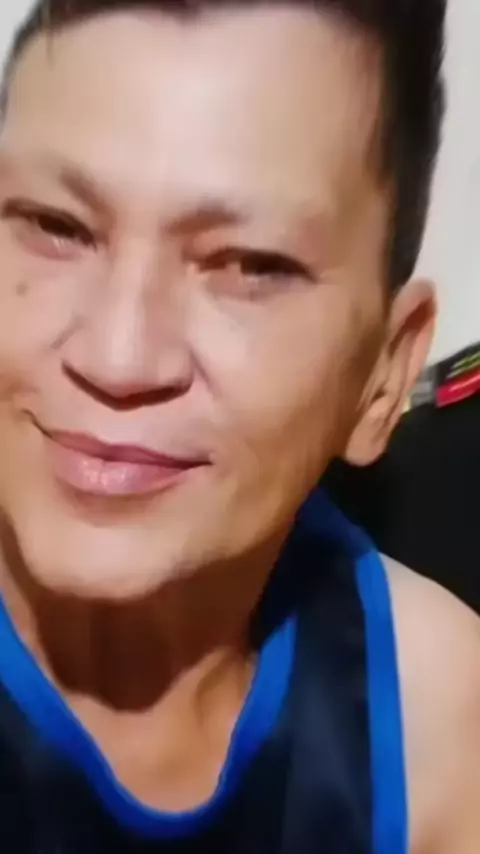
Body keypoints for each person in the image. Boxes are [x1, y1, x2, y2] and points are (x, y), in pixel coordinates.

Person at [0, 1, 478, 852]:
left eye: (253, 266)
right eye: (55, 225)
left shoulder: (430, 716)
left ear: (384, 374)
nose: (118, 356)